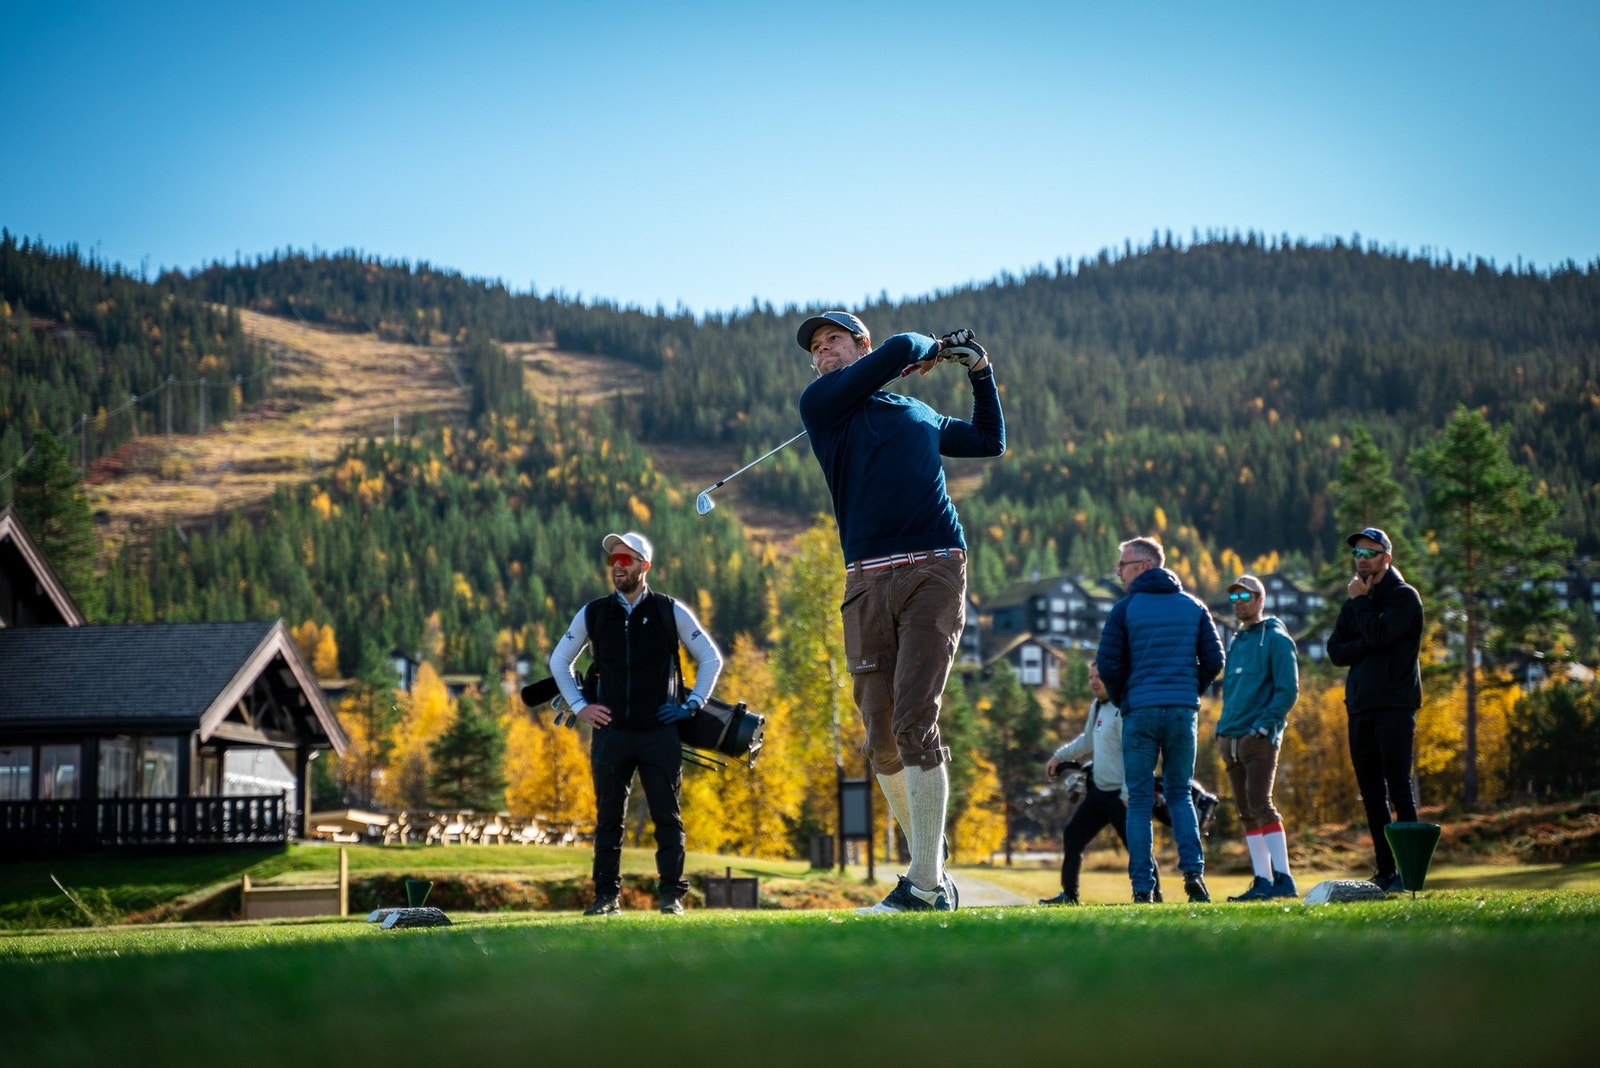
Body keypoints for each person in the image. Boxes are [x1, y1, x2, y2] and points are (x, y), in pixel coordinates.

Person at [796, 310, 1005, 914]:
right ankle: (930, 869)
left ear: (857, 344)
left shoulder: (917, 413)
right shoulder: (821, 406)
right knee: (880, 734)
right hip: (865, 579)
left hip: (934, 567)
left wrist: (981, 372)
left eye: (833, 340)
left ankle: (923, 885)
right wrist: (933, 348)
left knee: (916, 718)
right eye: (816, 347)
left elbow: (988, 441)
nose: (822, 351)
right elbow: (899, 347)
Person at [549, 531, 724, 916]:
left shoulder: (668, 610)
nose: (617, 567)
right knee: (608, 821)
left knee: (667, 818)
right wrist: (580, 707)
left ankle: (672, 898)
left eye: (625, 560)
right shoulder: (594, 613)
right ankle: (605, 898)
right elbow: (559, 660)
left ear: (645, 566)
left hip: (660, 732)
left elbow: (711, 658)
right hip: (610, 734)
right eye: (612, 560)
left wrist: (692, 705)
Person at [1095, 536, 1225, 903]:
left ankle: (1142, 887)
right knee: (1179, 793)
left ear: (1145, 566)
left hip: (1140, 712)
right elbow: (1215, 660)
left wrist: (1124, 699)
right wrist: (1189, 691)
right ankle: (1194, 875)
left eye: (1123, 565)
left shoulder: (1124, 610)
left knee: (1138, 800)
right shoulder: (1194, 606)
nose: (1118, 572)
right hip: (1182, 712)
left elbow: (1107, 664)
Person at [1326, 526, 1424, 894]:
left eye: (1370, 553)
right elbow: (1336, 651)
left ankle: (1410, 874)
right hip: (1360, 706)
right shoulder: (1356, 601)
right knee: (1371, 794)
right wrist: (1367, 636)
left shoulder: (1404, 598)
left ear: (1387, 557)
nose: (1362, 559)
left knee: (1399, 787)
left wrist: (1363, 612)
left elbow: (1379, 635)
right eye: (1358, 553)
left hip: (1395, 705)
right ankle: (1386, 872)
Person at [1040, 661, 1164, 904]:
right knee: (1073, 834)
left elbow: (1135, 754)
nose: (1094, 682)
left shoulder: (1123, 708)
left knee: (1138, 848)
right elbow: (1087, 741)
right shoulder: (1097, 705)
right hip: (1099, 793)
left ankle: (1155, 897)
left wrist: (1129, 792)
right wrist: (1059, 756)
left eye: (1099, 676)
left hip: (1121, 797)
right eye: (1091, 677)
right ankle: (1069, 896)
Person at [1216, 574, 1301, 901]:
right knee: (1245, 811)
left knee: (1261, 804)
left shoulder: (1276, 639)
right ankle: (1262, 881)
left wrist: (1263, 728)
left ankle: (1284, 879)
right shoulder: (1237, 641)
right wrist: (1221, 731)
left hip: (1258, 739)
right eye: (1234, 598)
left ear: (1260, 600)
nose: (1238, 603)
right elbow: (1230, 691)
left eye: (1245, 597)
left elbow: (1288, 691)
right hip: (1230, 738)